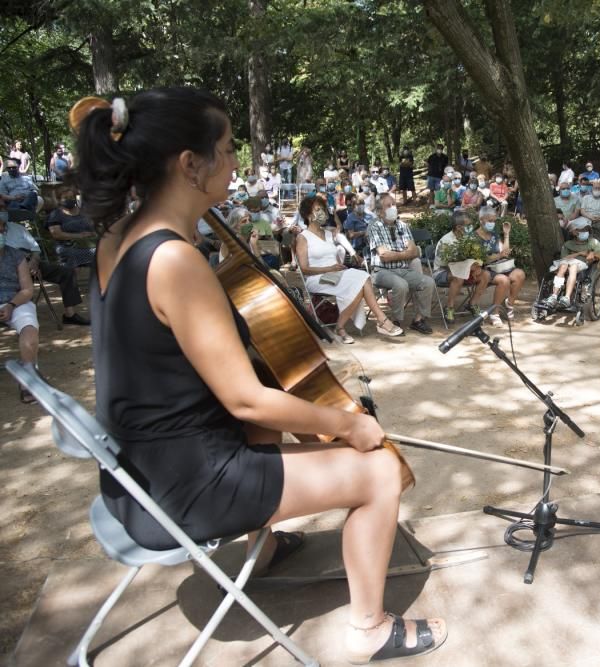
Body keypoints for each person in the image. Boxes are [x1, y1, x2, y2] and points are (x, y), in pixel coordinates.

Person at [73, 88, 446, 663]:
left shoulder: (115, 242)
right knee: (377, 474)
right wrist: (349, 428)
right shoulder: (176, 259)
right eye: (224, 150)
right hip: (187, 490)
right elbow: (246, 401)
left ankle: (264, 548)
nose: (233, 164)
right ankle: (370, 629)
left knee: (265, 425)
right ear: (189, 164)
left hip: (137, 480)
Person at [295, 197, 402, 343]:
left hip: (336, 273)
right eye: (317, 210)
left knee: (363, 276)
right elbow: (304, 269)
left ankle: (343, 327)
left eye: (323, 209)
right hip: (317, 278)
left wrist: (338, 265)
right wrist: (329, 268)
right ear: (308, 215)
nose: (322, 213)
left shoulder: (328, 234)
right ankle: (381, 320)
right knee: (359, 282)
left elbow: (334, 256)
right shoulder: (303, 237)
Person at [0, 200, 89, 325]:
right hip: (7, 269)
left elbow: (35, 249)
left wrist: (34, 261)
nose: (2, 210)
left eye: (3, 207)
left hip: (29, 262)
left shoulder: (18, 229)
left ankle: (70, 314)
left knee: (66, 272)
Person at [367, 193, 435, 334]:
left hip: (403, 269)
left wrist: (396, 254)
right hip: (382, 271)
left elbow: (414, 252)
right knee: (401, 284)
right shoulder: (375, 227)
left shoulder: (403, 226)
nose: (393, 208)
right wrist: (404, 253)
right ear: (380, 211)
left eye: (394, 205)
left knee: (428, 282)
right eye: (388, 206)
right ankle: (395, 320)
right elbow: (384, 256)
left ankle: (418, 320)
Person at [0, 227, 40, 403]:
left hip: (16, 301)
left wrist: (10, 305)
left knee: (29, 332)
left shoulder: (16, 256)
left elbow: (27, 290)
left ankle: (28, 379)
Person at [432, 211, 492, 324]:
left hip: (466, 271)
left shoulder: (470, 238)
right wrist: (468, 267)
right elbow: (445, 264)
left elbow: (477, 256)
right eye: (468, 225)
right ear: (459, 227)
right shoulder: (446, 241)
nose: (471, 227)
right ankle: (449, 308)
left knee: (486, 275)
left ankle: (473, 304)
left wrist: (477, 265)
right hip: (443, 272)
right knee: (458, 276)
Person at [542, 218, 600, 309]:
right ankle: (554, 296)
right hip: (566, 264)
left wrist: (593, 253)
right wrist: (579, 253)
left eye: (586, 230)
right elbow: (564, 258)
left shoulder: (593, 242)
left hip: (583, 265)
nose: (585, 232)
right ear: (574, 232)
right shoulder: (568, 244)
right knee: (563, 265)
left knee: (573, 266)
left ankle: (566, 298)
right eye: (582, 230)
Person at [473, 206, 524, 320]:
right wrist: (498, 255)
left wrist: (506, 234)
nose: (493, 223)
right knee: (503, 280)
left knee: (519, 274)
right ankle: (494, 312)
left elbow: (504, 252)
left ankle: (508, 305)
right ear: (481, 220)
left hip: (499, 267)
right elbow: (480, 259)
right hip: (484, 270)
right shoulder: (474, 237)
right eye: (490, 221)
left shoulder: (494, 235)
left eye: (494, 221)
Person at [46, 185, 96, 269]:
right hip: (67, 245)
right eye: (66, 197)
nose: (70, 199)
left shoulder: (83, 212)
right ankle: (78, 277)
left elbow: (93, 228)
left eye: (72, 197)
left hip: (88, 243)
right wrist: (79, 236)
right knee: (90, 253)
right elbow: (56, 234)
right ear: (59, 200)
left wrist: (93, 233)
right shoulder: (56, 214)